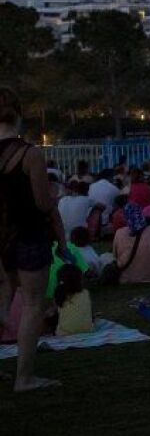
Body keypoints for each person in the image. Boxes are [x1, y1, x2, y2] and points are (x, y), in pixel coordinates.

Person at [0, 87, 70, 391]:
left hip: (1, 239)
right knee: (31, 305)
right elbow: (43, 204)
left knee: (1, 302)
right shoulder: (30, 154)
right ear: (19, 113)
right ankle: (24, 377)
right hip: (28, 236)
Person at [102, 203, 150, 284]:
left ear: (125, 218)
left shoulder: (119, 232)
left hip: (126, 279)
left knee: (105, 256)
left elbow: (115, 255)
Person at [53, 263, 93, 336]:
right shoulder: (85, 293)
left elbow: (56, 312)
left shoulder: (59, 294)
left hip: (64, 333)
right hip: (88, 330)